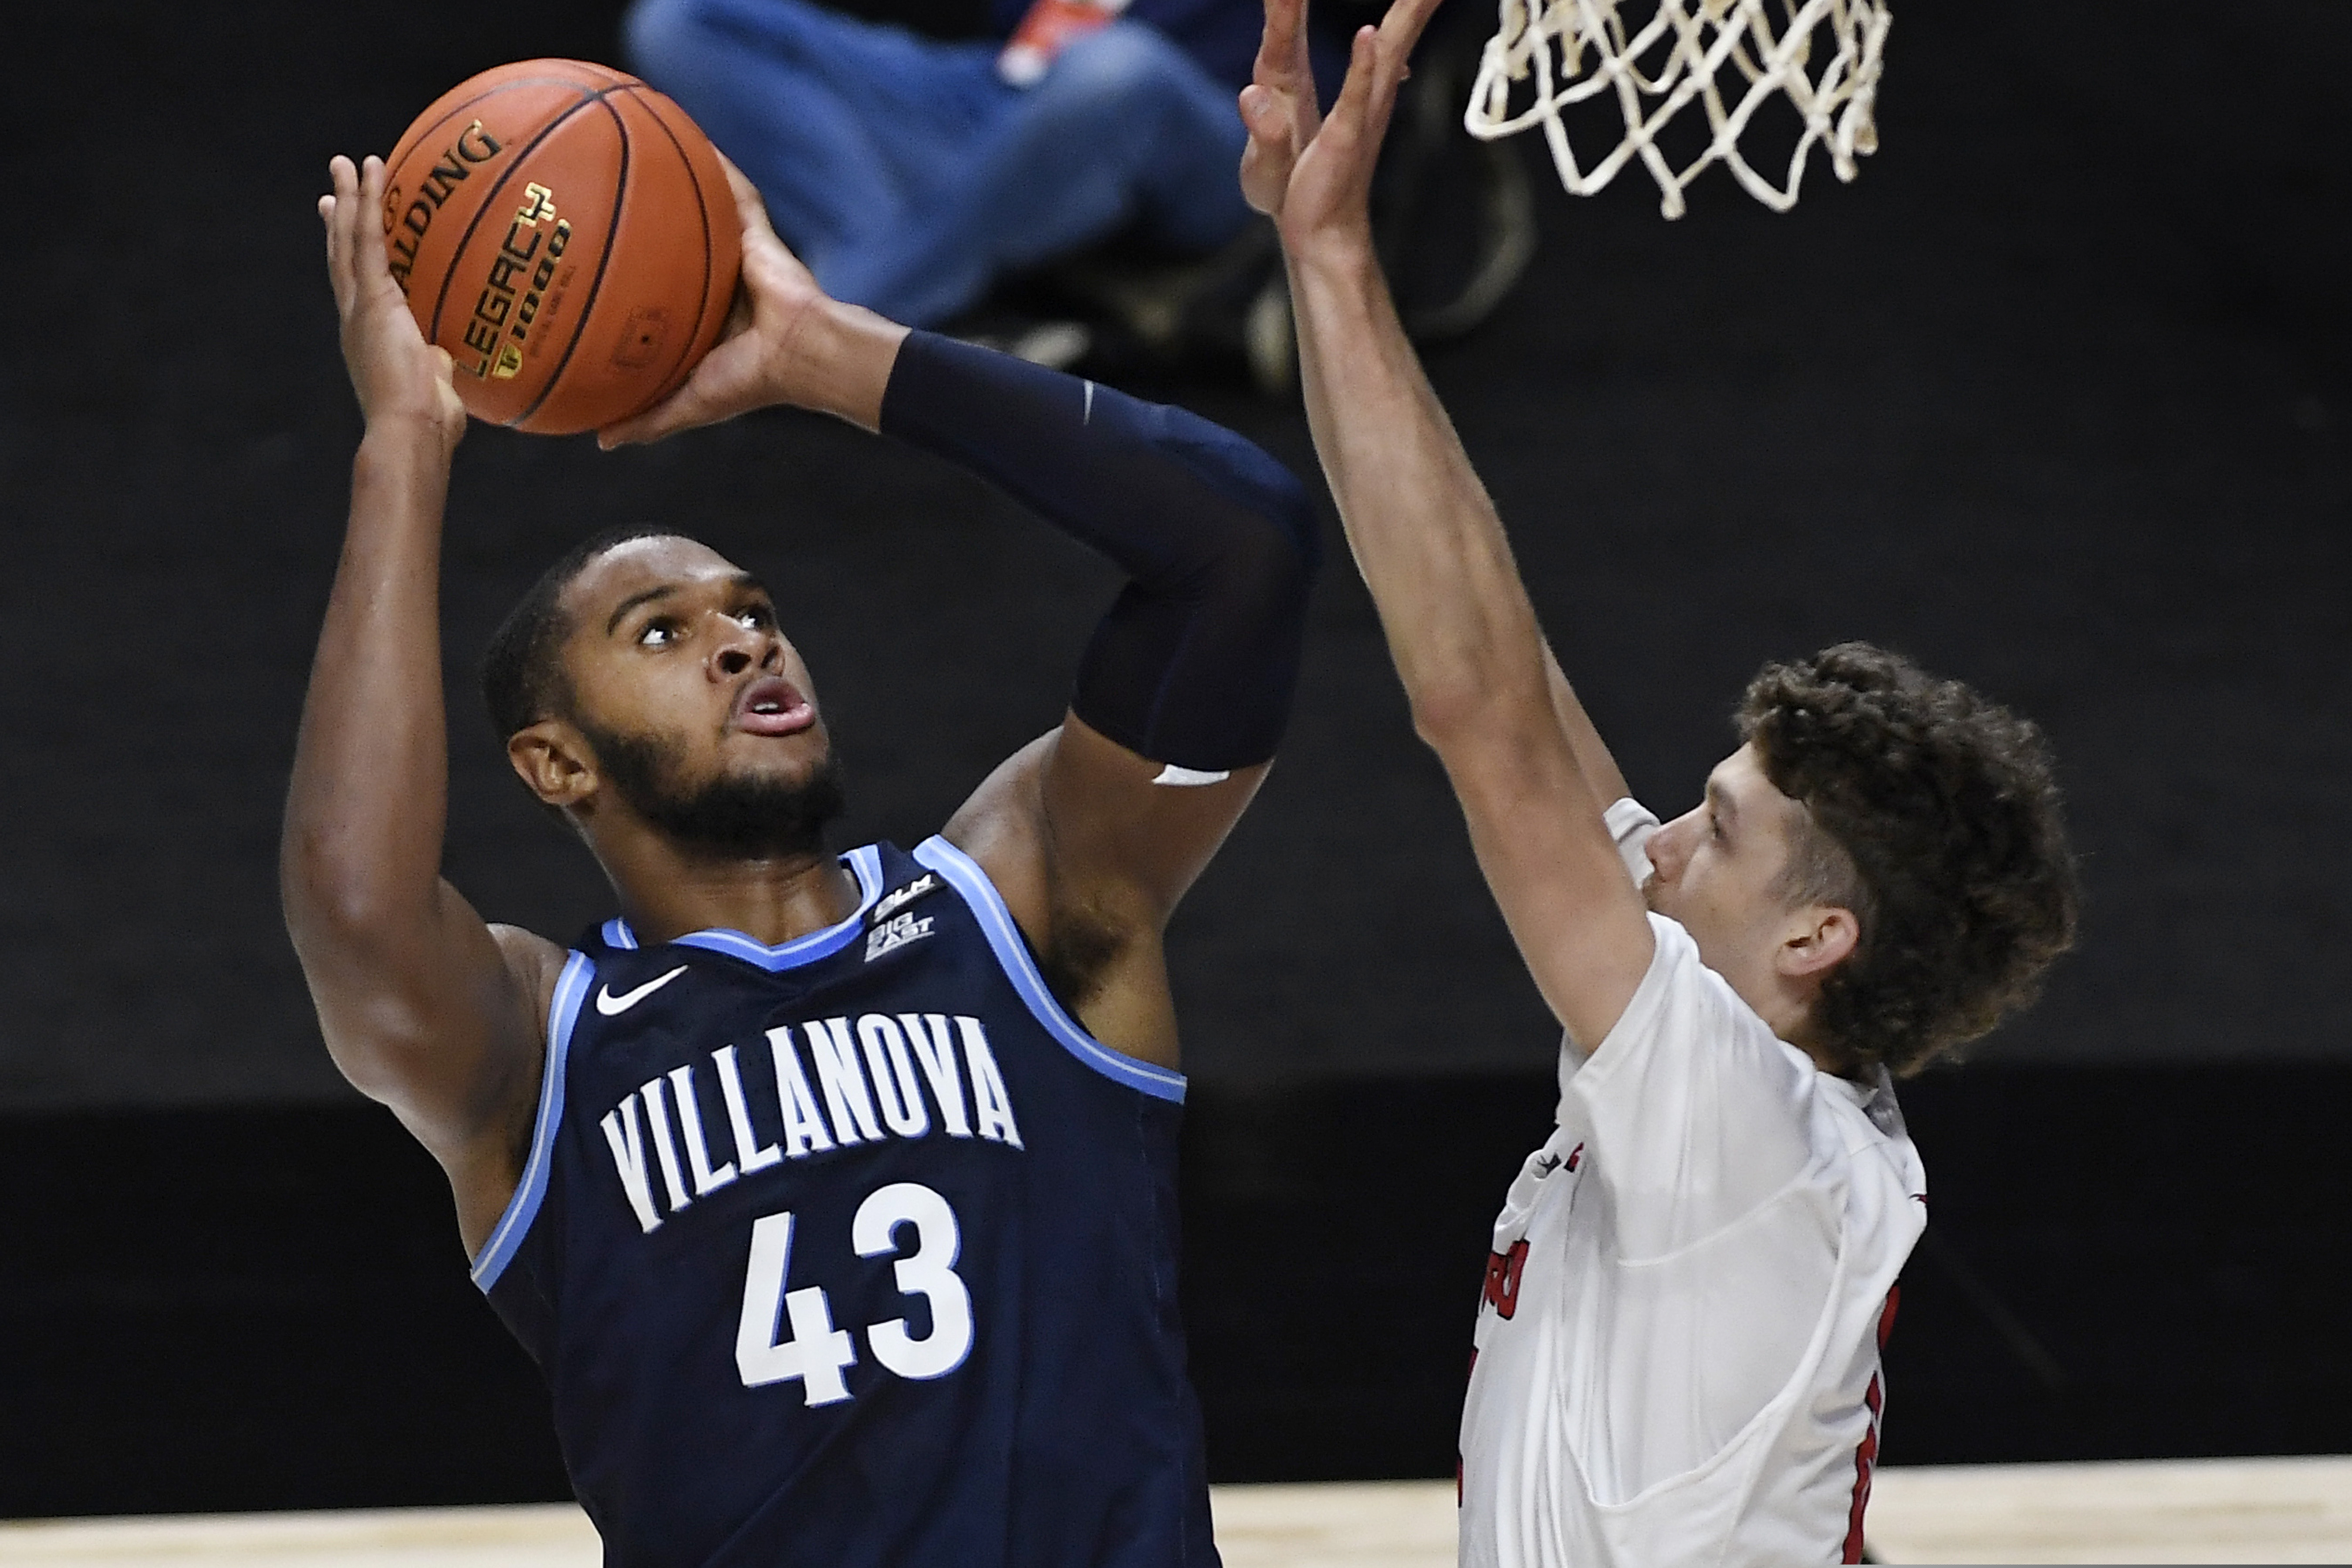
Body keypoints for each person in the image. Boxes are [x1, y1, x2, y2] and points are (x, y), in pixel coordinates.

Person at [287, 150, 1318, 1565]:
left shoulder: (1025, 902)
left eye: (753, 609)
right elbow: (353, 908)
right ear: (557, 762)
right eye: (661, 630)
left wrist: (836, 359)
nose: (742, 638)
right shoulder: (541, 1051)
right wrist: (404, 442)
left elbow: (1244, 547)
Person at [1236, 3, 2081, 1562]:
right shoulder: (1758, 1058)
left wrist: (1345, 260)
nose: (1657, 838)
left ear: (1817, 939)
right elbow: (1510, 662)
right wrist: (1318, 253)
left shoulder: (1735, 1112)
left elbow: (1474, 711)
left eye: (1719, 829)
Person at [622, 0, 1345, 345]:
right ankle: (898, 285)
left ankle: (838, 313)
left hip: (1213, 120)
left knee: (1119, 72)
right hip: (999, 92)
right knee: (686, 21)